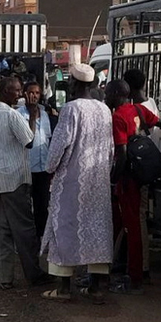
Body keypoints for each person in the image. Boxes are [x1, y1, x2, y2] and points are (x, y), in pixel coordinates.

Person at [42, 64, 114, 304]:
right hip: (99, 179)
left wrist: (49, 168)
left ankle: (63, 288)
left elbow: (61, 142)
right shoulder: (104, 110)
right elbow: (110, 148)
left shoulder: (71, 109)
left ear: (73, 83)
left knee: (64, 226)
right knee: (97, 229)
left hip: (72, 179)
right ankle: (97, 287)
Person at [0, 76, 50, 290]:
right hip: (13, 179)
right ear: (6, 92)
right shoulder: (12, 115)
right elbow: (30, 141)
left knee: (1, 230)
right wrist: (34, 118)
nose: (21, 94)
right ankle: (34, 275)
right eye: (17, 91)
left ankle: (5, 277)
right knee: (24, 230)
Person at [106, 79, 161, 294]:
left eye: (108, 93)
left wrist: (113, 179)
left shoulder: (118, 116)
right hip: (143, 175)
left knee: (130, 226)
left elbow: (122, 153)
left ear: (116, 94)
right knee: (136, 223)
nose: (105, 96)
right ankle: (137, 272)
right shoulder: (139, 109)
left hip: (129, 178)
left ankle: (134, 277)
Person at [18, 81, 52, 241]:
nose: (34, 96)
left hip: (43, 168)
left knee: (42, 206)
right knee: (24, 207)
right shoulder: (19, 114)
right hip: (26, 167)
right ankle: (26, 239)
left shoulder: (45, 114)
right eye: (31, 92)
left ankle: (40, 238)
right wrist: (31, 116)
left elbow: (48, 139)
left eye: (37, 93)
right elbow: (28, 140)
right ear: (24, 94)